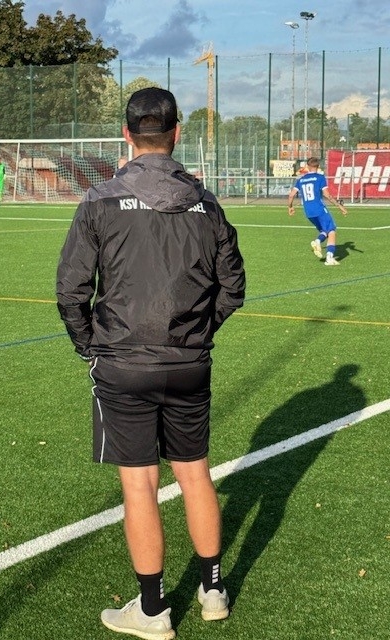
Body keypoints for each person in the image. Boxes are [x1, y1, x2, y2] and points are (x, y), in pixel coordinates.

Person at [56, 87, 245, 639]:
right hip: (188, 363)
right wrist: (196, 335)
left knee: (139, 485)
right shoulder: (207, 204)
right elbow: (232, 288)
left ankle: (153, 609)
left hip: (124, 364)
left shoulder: (99, 200)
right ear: (176, 133)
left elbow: (70, 290)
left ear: (127, 134)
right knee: (195, 472)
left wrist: (90, 345)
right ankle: (213, 590)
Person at [288, 156, 347, 266]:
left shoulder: (301, 180)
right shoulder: (320, 178)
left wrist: (290, 207)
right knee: (332, 231)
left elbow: (291, 195)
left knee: (324, 230)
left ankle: (318, 241)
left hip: (308, 212)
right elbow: (327, 195)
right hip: (319, 209)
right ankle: (329, 257)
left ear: (307, 166)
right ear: (318, 166)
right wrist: (339, 206)